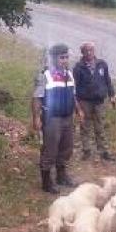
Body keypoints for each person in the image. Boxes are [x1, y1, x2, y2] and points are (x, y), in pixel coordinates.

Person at [33, 43, 81, 194]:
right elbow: (36, 98)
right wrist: (36, 118)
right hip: (52, 118)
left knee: (66, 148)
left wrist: (79, 110)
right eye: (62, 57)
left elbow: (73, 94)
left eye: (66, 57)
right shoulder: (45, 75)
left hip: (67, 117)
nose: (65, 60)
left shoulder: (69, 74)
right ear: (54, 58)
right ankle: (46, 182)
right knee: (50, 150)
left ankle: (61, 176)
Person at [73, 41, 116, 161]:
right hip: (85, 101)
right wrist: (77, 105)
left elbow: (108, 80)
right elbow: (74, 86)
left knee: (100, 126)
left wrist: (111, 95)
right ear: (82, 53)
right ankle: (86, 150)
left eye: (91, 50)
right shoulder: (78, 67)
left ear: (94, 51)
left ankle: (104, 151)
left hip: (99, 100)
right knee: (85, 126)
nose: (89, 53)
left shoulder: (102, 64)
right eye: (86, 51)